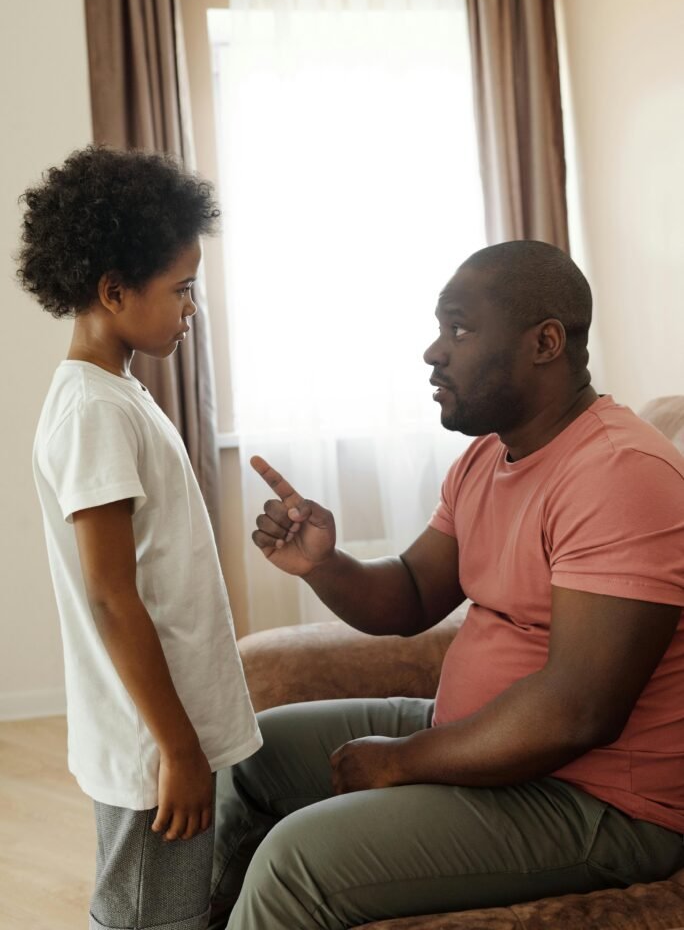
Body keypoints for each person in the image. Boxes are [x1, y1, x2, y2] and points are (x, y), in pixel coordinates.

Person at [210, 240, 684, 930]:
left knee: (296, 863)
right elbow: (409, 594)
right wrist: (323, 563)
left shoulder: (620, 473)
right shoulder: (487, 457)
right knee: (251, 754)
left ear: (545, 342)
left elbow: (579, 709)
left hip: (596, 798)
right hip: (478, 739)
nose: (435, 352)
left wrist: (405, 761)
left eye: (458, 329)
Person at [18, 146, 262, 930]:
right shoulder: (94, 413)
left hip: (167, 728)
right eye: (182, 289)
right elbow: (113, 597)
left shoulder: (115, 394)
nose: (193, 308)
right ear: (113, 291)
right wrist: (179, 751)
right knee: (145, 918)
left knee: (175, 909)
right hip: (152, 745)